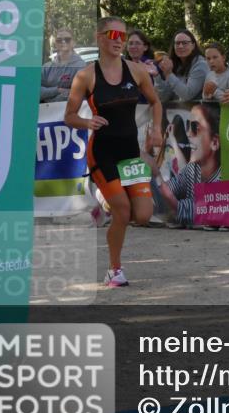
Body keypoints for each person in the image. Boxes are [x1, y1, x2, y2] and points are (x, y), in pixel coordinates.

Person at [64, 17, 162, 287]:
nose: (119, 40)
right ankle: (114, 270)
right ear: (100, 38)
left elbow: (155, 102)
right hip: (103, 151)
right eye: (113, 34)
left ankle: (105, 198)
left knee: (142, 215)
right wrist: (86, 122)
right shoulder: (86, 75)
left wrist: (156, 129)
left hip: (130, 151)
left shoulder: (137, 70)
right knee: (121, 211)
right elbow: (69, 116)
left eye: (123, 35)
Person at [158, 102, 222, 230]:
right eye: (188, 126)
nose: (188, 133)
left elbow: (186, 210)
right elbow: (167, 191)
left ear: (214, 142)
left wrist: (155, 176)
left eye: (195, 128)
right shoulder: (193, 169)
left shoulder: (223, 178)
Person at [155, 29, 208, 104]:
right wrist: (157, 75)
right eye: (177, 43)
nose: (180, 46)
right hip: (179, 113)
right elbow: (164, 97)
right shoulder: (175, 65)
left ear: (193, 45)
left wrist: (169, 74)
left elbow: (187, 95)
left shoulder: (201, 64)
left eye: (184, 43)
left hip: (200, 113)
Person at [40, 28, 86, 102]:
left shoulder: (81, 66)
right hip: (45, 111)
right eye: (59, 40)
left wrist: (48, 97)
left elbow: (81, 94)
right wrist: (58, 90)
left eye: (67, 39)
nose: (63, 42)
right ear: (55, 43)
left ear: (73, 43)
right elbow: (35, 91)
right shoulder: (46, 67)